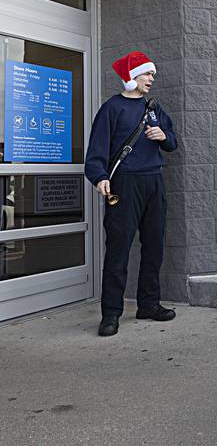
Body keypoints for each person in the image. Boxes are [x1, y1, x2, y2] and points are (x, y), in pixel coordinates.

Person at [85, 51, 178, 337]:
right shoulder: (111, 108)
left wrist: (164, 136)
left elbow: (172, 143)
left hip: (154, 182)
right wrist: (99, 177)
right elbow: (96, 150)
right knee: (118, 248)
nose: (151, 79)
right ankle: (111, 313)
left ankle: (148, 304)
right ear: (130, 77)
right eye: (146, 74)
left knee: (154, 246)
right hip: (124, 184)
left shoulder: (154, 108)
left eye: (152, 75)